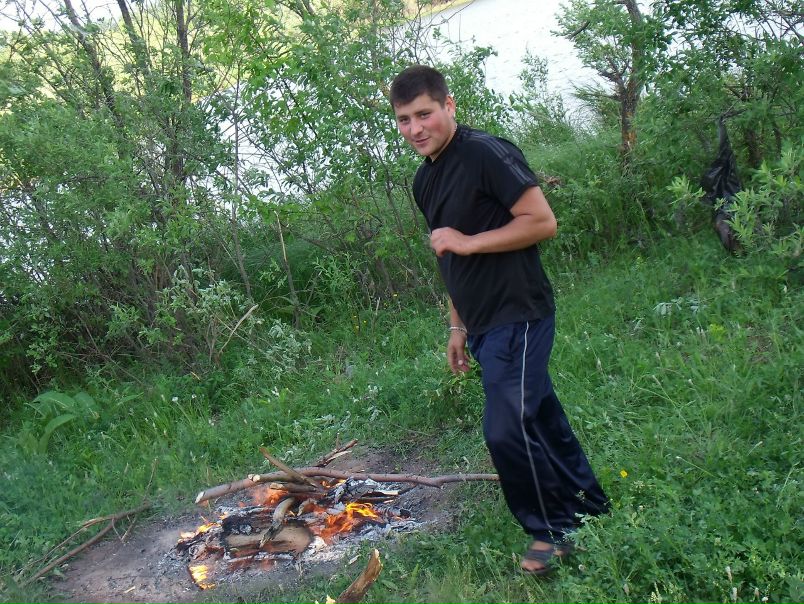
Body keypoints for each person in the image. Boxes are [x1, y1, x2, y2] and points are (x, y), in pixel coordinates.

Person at [389, 64, 609, 575]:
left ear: (449, 105)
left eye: (424, 113)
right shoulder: (425, 179)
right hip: (483, 323)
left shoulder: (486, 152)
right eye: (404, 119)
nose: (415, 128)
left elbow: (542, 221)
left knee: (506, 426)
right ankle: (590, 505)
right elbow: (449, 256)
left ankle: (552, 530)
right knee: (541, 416)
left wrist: (468, 242)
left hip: (520, 312)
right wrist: (457, 325)